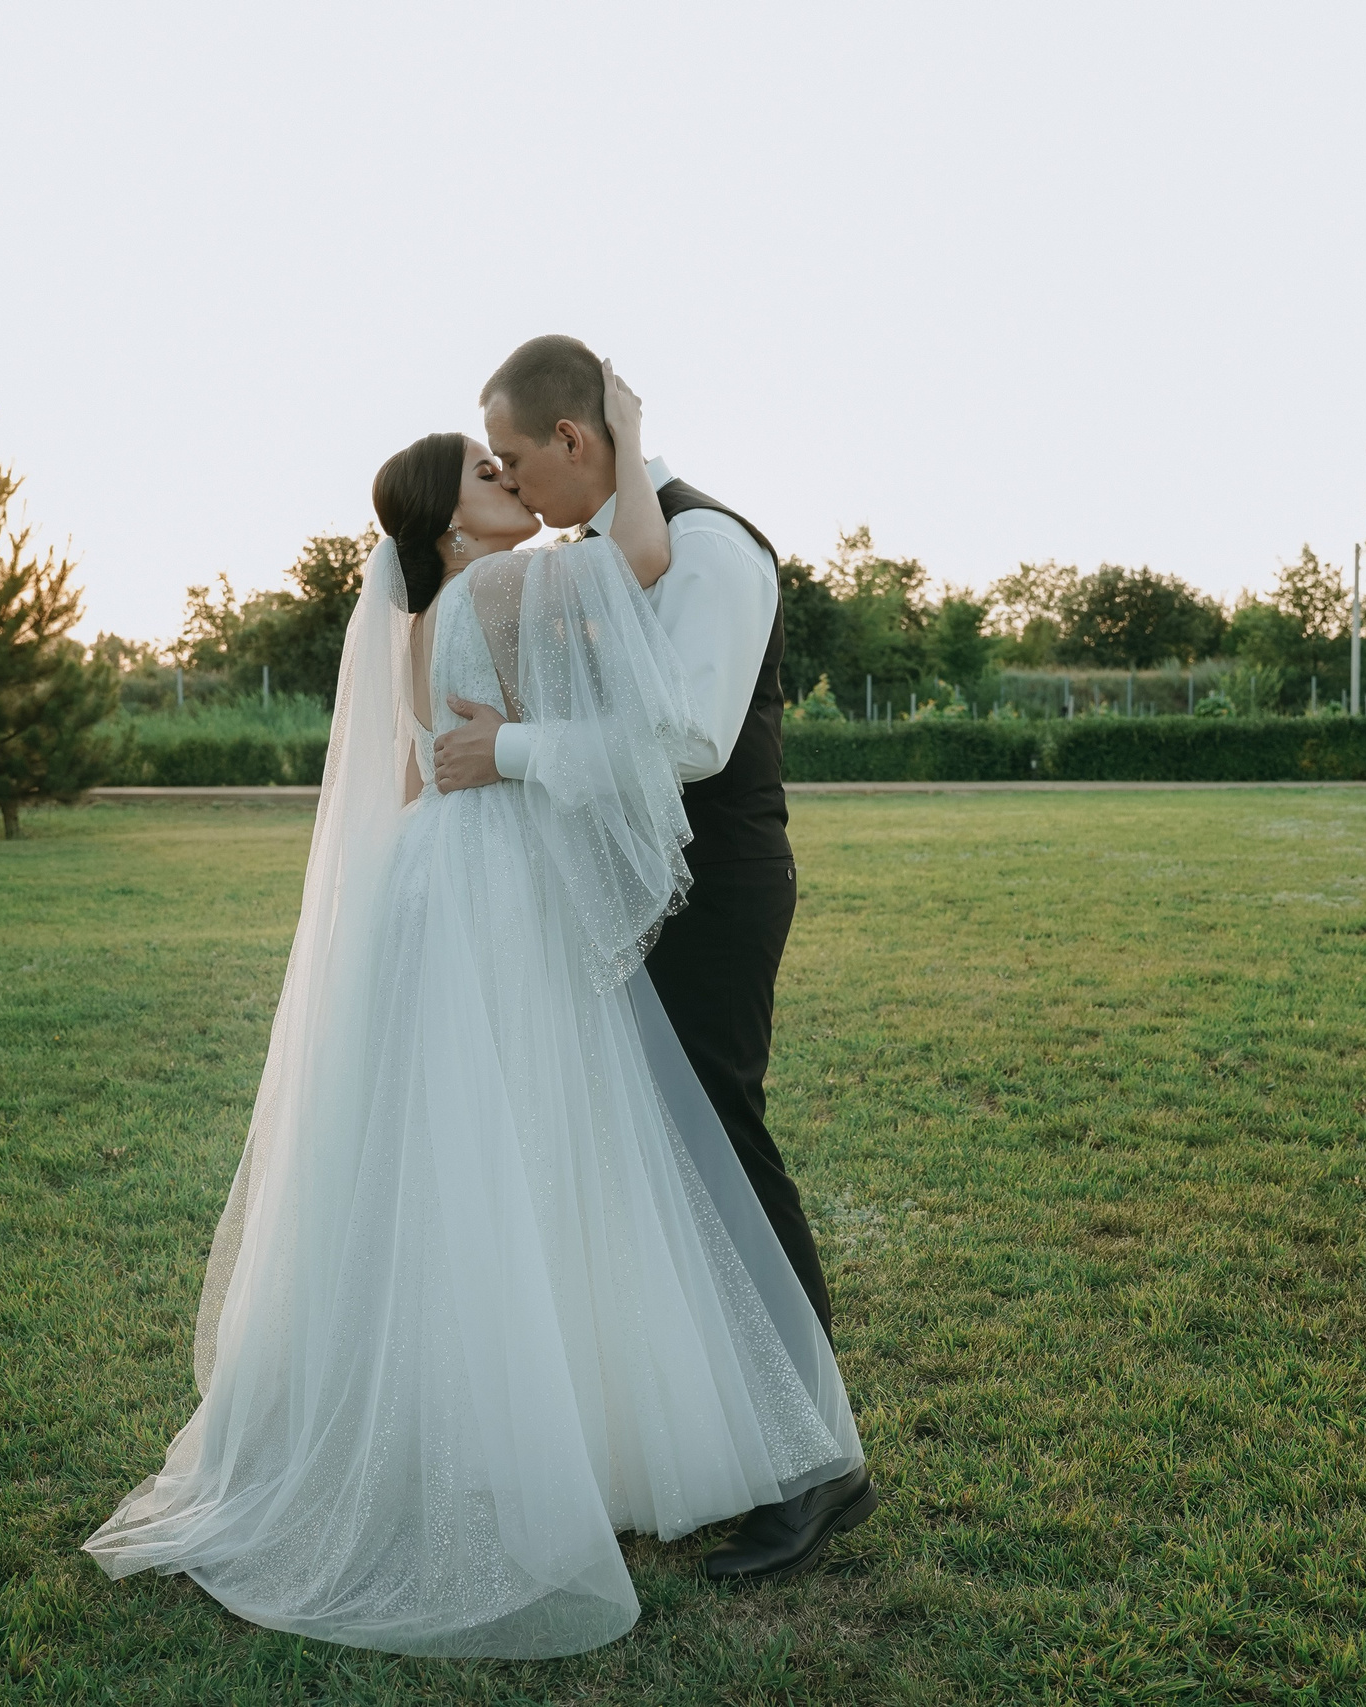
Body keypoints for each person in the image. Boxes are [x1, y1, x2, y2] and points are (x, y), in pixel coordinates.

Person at [82, 366, 863, 1658]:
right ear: (452, 522)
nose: (515, 485)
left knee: (482, 1151)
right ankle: (672, 1431)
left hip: (438, 891)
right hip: (498, 896)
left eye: (513, 464)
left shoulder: (422, 608)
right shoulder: (518, 582)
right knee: (561, 1143)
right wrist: (633, 453)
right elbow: (642, 597)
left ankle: (531, 1426)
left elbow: (414, 766)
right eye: (490, 474)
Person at [434, 335, 873, 1585]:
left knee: (721, 1156)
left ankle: (821, 1471)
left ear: (577, 442)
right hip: (628, 895)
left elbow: (681, 736)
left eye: (517, 459)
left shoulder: (718, 549)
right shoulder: (604, 552)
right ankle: (715, 1446)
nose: (512, 485)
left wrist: (506, 752)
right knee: (658, 1174)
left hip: (716, 896)